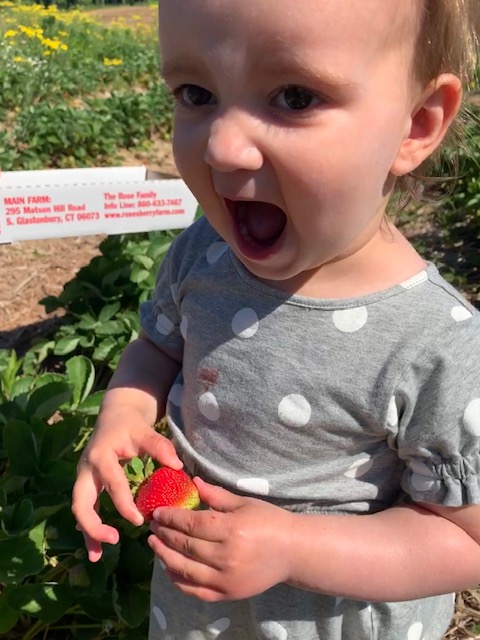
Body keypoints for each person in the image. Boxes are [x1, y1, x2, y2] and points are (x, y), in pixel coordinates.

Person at [72, 1, 480, 638]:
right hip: (194, 616)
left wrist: (293, 547)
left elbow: (465, 540)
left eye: (294, 96)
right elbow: (158, 347)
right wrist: (123, 416)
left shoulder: (436, 343)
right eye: (196, 92)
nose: (223, 146)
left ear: (415, 126)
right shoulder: (202, 253)